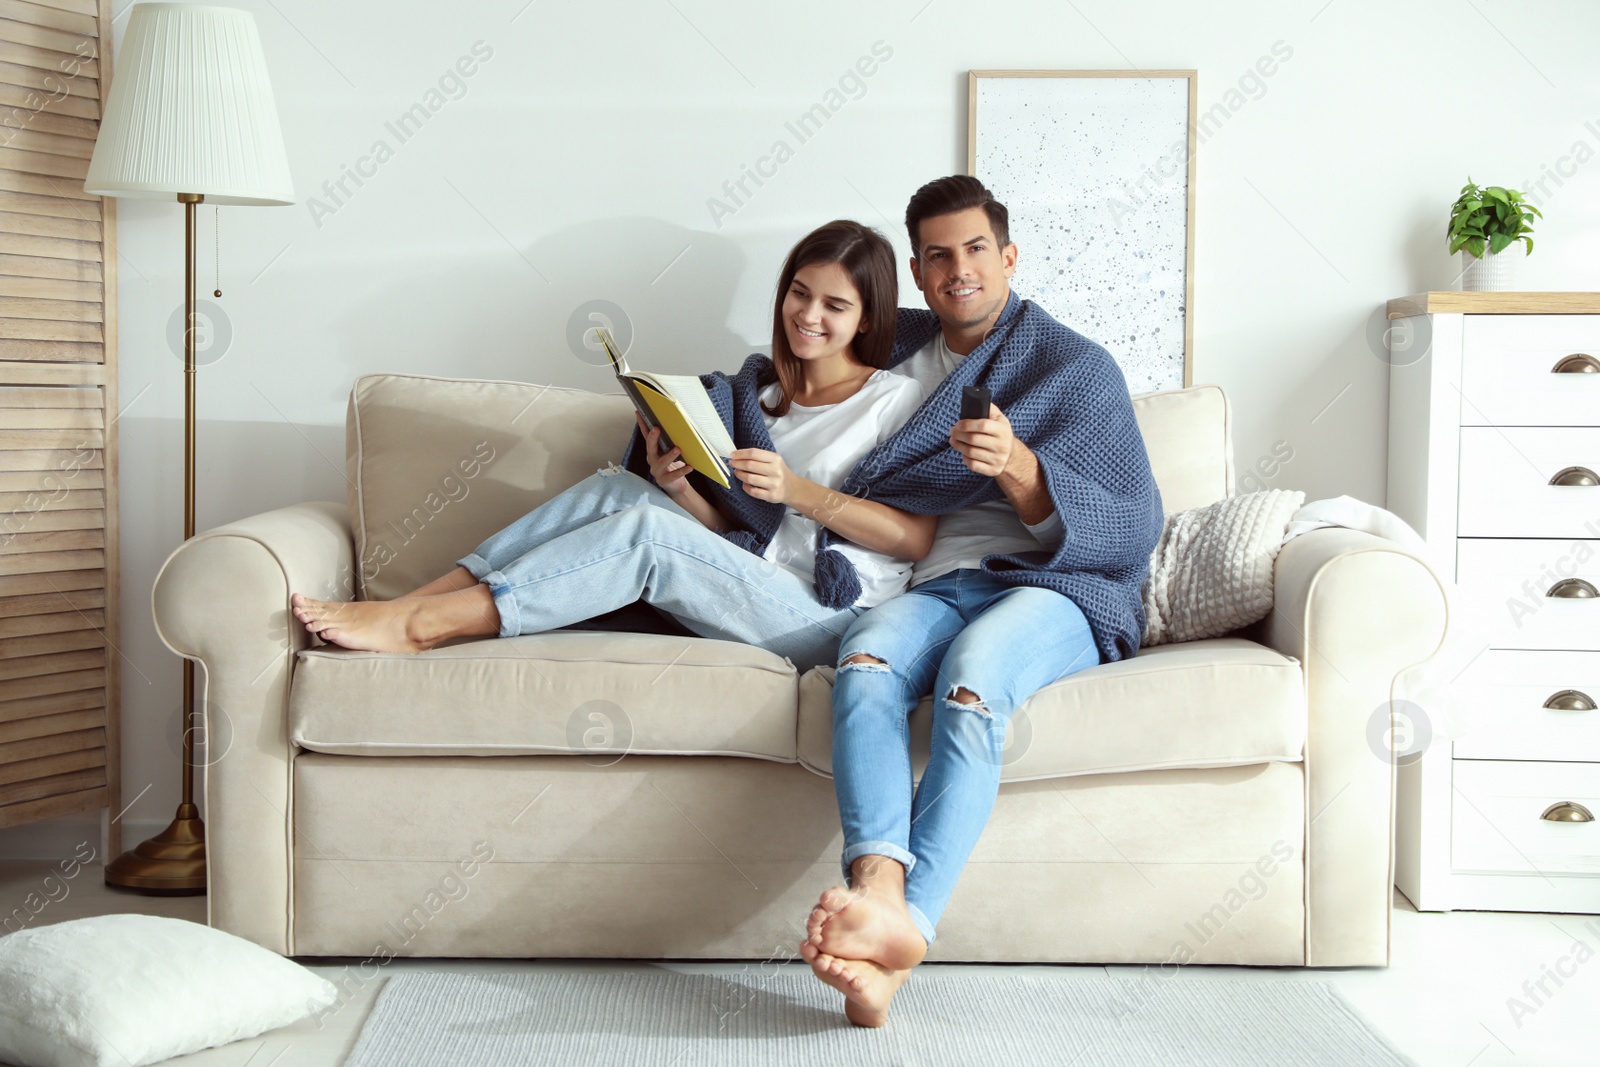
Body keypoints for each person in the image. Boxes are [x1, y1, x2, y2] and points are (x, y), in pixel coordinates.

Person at [798, 176, 1165, 1026]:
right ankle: (882, 892)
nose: (957, 270)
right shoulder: (893, 350)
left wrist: (1020, 467)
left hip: (1056, 586)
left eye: (974, 250)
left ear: (1007, 256)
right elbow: (795, 376)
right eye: (936, 256)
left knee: (970, 684)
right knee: (863, 662)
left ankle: (905, 926)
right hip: (932, 581)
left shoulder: (1074, 366)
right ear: (918, 275)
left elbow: (1130, 524)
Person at [290, 220, 932, 673]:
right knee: (623, 490)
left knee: (648, 535)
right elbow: (748, 540)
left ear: (868, 318)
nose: (808, 315)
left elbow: (915, 539)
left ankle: (421, 627)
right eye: (799, 292)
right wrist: (679, 487)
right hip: (749, 584)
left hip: (826, 620)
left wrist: (797, 491)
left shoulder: (892, 402)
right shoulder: (759, 397)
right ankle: (406, 604)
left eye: (835, 305)